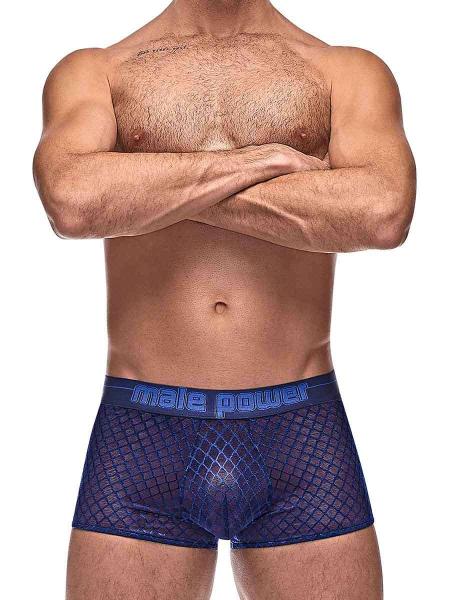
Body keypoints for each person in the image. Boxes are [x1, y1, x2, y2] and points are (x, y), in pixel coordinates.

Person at [33, 1, 416, 598]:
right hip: (144, 433)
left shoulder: (346, 70)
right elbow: (74, 202)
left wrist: (151, 191)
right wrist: (262, 164)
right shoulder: (96, 70)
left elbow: (382, 212)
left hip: (300, 432)